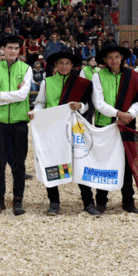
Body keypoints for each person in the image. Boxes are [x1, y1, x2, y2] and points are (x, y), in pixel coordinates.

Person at [88, 43, 138, 215]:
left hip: (127, 124)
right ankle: (101, 200)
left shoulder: (134, 77)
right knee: (103, 162)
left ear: (122, 58)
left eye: (117, 57)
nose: (114, 60)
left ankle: (128, 201)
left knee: (128, 162)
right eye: (110, 58)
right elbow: (98, 102)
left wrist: (129, 114)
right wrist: (118, 114)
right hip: (105, 124)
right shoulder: (98, 77)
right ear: (105, 60)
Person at [29, 50, 91, 215]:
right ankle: (54, 202)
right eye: (61, 63)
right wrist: (36, 112)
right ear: (55, 66)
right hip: (52, 127)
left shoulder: (82, 83)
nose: (64, 66)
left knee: (79, 161)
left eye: (67, 63)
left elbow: (88, 106)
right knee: (52, 162)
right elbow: (40, 102)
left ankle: (88, 202)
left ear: (72, 66)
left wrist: (80, 106)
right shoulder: (47, 82)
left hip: (75, 127)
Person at [0, 35, 32, 215]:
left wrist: (0, 94)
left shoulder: (26, 69)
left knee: (19, 163)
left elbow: (23, 95)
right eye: (10, 47)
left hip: (20, 121)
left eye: (16, 48)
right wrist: (9, 95)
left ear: (20, 50)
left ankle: (18, 200)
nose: (13, 51)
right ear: (3, 50)